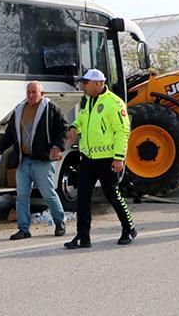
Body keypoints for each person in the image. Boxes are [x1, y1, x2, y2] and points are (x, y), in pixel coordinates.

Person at [64, 69, 136, 249]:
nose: (83, 86)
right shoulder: (88, 100)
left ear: (98, 84)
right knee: (82, 197)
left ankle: (129, 228)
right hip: (88, 157)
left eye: (86, 83)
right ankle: (82, 237)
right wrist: (74, 126)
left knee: (112, 195)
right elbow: (82, 119)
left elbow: (123, 132)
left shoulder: (114, 103)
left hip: (108, 158)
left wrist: (119, 158)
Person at [0, 81, 68, 240]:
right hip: (23, 160)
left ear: (42, 94)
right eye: (29, 92)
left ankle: (60, 222)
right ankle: (24, 229)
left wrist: (57, 147)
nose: (31, 95)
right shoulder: (19, 110)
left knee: (48, 194)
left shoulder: (50, 109)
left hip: (42, 161)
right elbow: (10, 134)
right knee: (21, 196)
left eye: (35, 92)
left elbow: (63, 129)